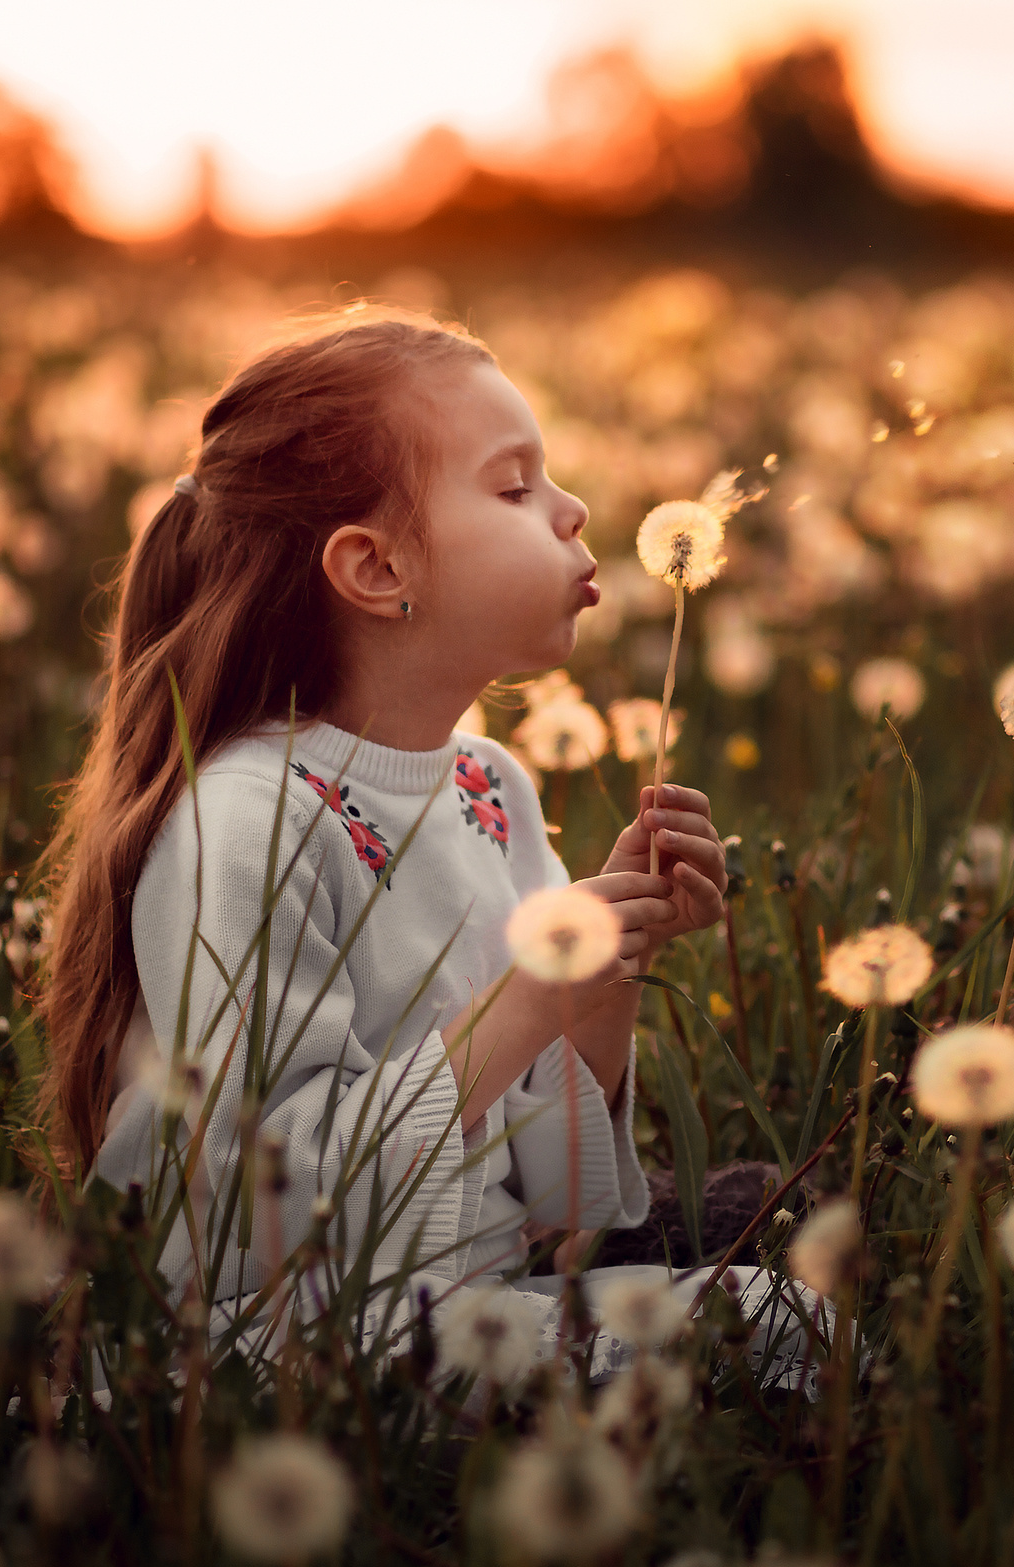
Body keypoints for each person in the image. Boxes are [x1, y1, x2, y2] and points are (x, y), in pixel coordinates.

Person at [40, 306, 798, 1373]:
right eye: (514, 487)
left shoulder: (491, 787)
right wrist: (525, 999)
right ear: (377, 568)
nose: (573, 510)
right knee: (768, 1331)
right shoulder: (247, 823)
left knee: (790, 1303)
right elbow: (264, 1202)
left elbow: (554, 1204)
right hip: (271, 1341)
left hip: (472, 1298)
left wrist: (605, 974)